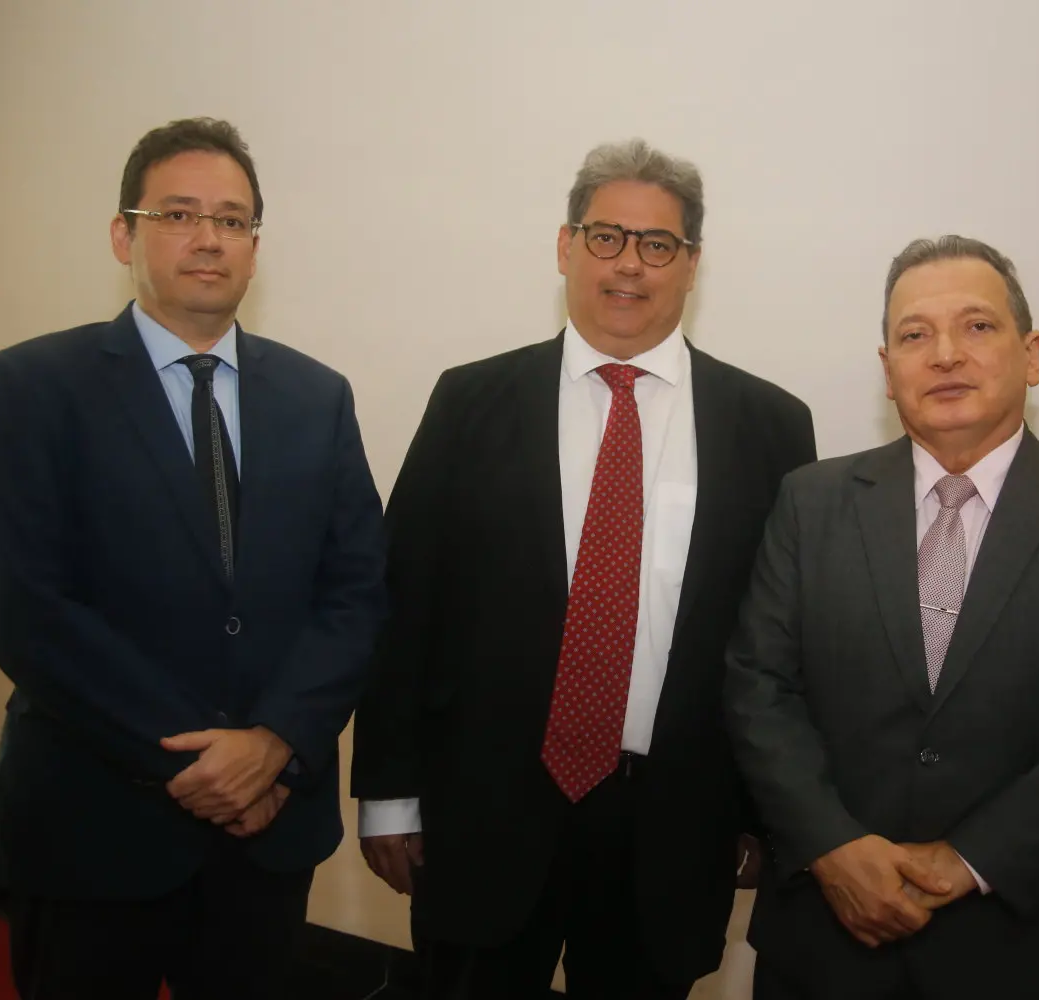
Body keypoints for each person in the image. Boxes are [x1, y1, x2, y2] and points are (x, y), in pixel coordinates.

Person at [350, 139, 816, 998]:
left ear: (692, 265)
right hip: (486, 812)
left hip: (672, 828)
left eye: (658, 244)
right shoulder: (470, 402)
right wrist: (387, 792)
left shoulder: (771, 427)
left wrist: (762, 816)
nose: (628, 264)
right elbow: (405, 604)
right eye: (606, 236)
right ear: (566, 247)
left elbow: (783, 646)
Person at [0, 117, 388, 1000]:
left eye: (232, 220)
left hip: (268, 834)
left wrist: (273, 744)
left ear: (255, 247)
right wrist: (206, 764)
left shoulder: (317, 396)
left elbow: (356, 591)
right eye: (178, 214)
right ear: (124, 234)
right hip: (90, 825)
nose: (208, 238)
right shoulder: (32, 386)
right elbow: (27, 609)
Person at [725, 235, 1039, 1000]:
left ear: (1031, 355)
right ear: (888, 370)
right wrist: (834, 847)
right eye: (915, 335)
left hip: (1029, 946)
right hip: (828, 942)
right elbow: (758, 688)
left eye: (977, 326)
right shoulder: (810, 502)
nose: (944, 355)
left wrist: (966, 860)